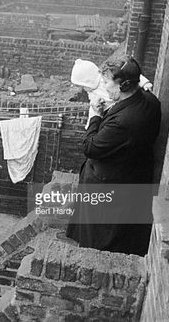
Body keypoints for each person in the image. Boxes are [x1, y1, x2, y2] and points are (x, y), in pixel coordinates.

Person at [66, 55, 161, 256]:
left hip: (111, 186)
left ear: (122, 85)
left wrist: (95, 115)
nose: (106, 87)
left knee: (98, 239)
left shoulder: (123, 121)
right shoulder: (151, 102)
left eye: (108, 82)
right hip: (133, 176)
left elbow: (90, 147)